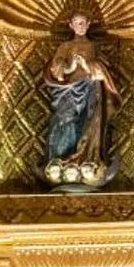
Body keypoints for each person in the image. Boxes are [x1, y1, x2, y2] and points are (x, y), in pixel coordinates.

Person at [44, 10, 118, 186]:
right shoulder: (65, 46)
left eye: (83, 22)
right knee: (65, 120)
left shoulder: (93, 47)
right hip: (68, 91)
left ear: (88, 24)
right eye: (77, 23)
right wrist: (70, 67)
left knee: (90, 121)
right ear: (71, 26)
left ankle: (87, 160)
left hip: (90, 88)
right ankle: (60, 160)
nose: (81, 26)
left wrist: (87, 65)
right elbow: (56, 67)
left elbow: (105, 69)